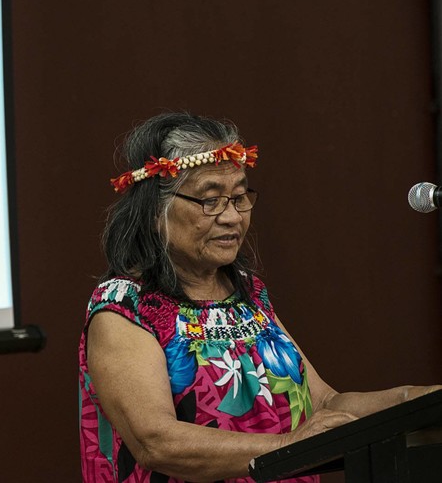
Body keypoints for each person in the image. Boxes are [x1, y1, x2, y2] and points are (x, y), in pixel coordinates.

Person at [78, 112, 440, 482]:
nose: (233, 217)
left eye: (239, 197)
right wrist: (290, 445)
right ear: (156, 211)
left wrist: (419, 401)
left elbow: (325, 405)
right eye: (211, 200)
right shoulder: (125, 308)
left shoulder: (247, 294)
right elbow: (157, 442)